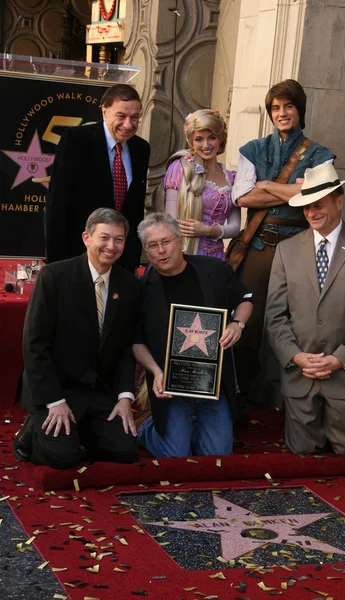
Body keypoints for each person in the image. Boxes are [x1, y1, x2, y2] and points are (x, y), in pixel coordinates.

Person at [265, 164, 345, 458]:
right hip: (300, 375)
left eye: (318, 205)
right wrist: (295, 356)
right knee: (303, 453)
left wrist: (338, 359)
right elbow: (275, 315)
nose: (311, 213)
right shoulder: (286, 250)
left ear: (339, 200)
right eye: (306, 206)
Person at [14, 208, 142, 469]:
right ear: (86, 238)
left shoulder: (129, 285)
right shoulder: (55, 277)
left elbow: (125, 348)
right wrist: (54, 401)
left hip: (96, 391)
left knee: (126, 451)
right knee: (63, 458)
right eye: (104, 237)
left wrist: (125, 397)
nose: (111, 246)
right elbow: (35, 344)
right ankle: (28, 435)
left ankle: (77, 430)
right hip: (56, 387)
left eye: (119, 239)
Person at [232, 79, 335, 402]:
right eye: (275, 108)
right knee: (248, 320)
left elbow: (313, 196)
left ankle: (294, 397)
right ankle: (241, 395)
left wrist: (268, 185)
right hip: (259, 245)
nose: (282, 113)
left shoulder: (320, 154)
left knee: (300, 322)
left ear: (299, 109)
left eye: (288, 106)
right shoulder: (253, 149)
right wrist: (292, 191)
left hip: (301, 247)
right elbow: (242, 198)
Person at [132, 213, 253, 458]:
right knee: (177, 457)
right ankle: (146, 428)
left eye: (166, 242)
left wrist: (237, 325)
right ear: (146, 250)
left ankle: (191, 430)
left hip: (213, 384)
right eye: (152, 245)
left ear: (180, 241)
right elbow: (136, 341)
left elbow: (245, 300)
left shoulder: (214, 270)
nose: (161, 250)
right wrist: (155, 372)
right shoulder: (142, 289)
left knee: (217, 457)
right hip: (171, 386)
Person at [45, 84, 150, 273]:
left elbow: (134, 209)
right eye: (121, 116)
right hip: (78, 258)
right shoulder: (76, 141)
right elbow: (57, 205)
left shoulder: (141, 149)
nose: (128, 124)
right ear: (104, 112)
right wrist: (56, 266)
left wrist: (133, 260)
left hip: (121, 262)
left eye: (134, 117)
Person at [164, 109, 240, 259]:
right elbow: (170, 222)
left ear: (221, 138)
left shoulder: (232, 178)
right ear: (191, 141)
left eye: (212, 138)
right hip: (185, 254)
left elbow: (236, 228)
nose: (206, 145)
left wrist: (207, 230)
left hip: (216, 257)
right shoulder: (180, 168)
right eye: (199, 139)